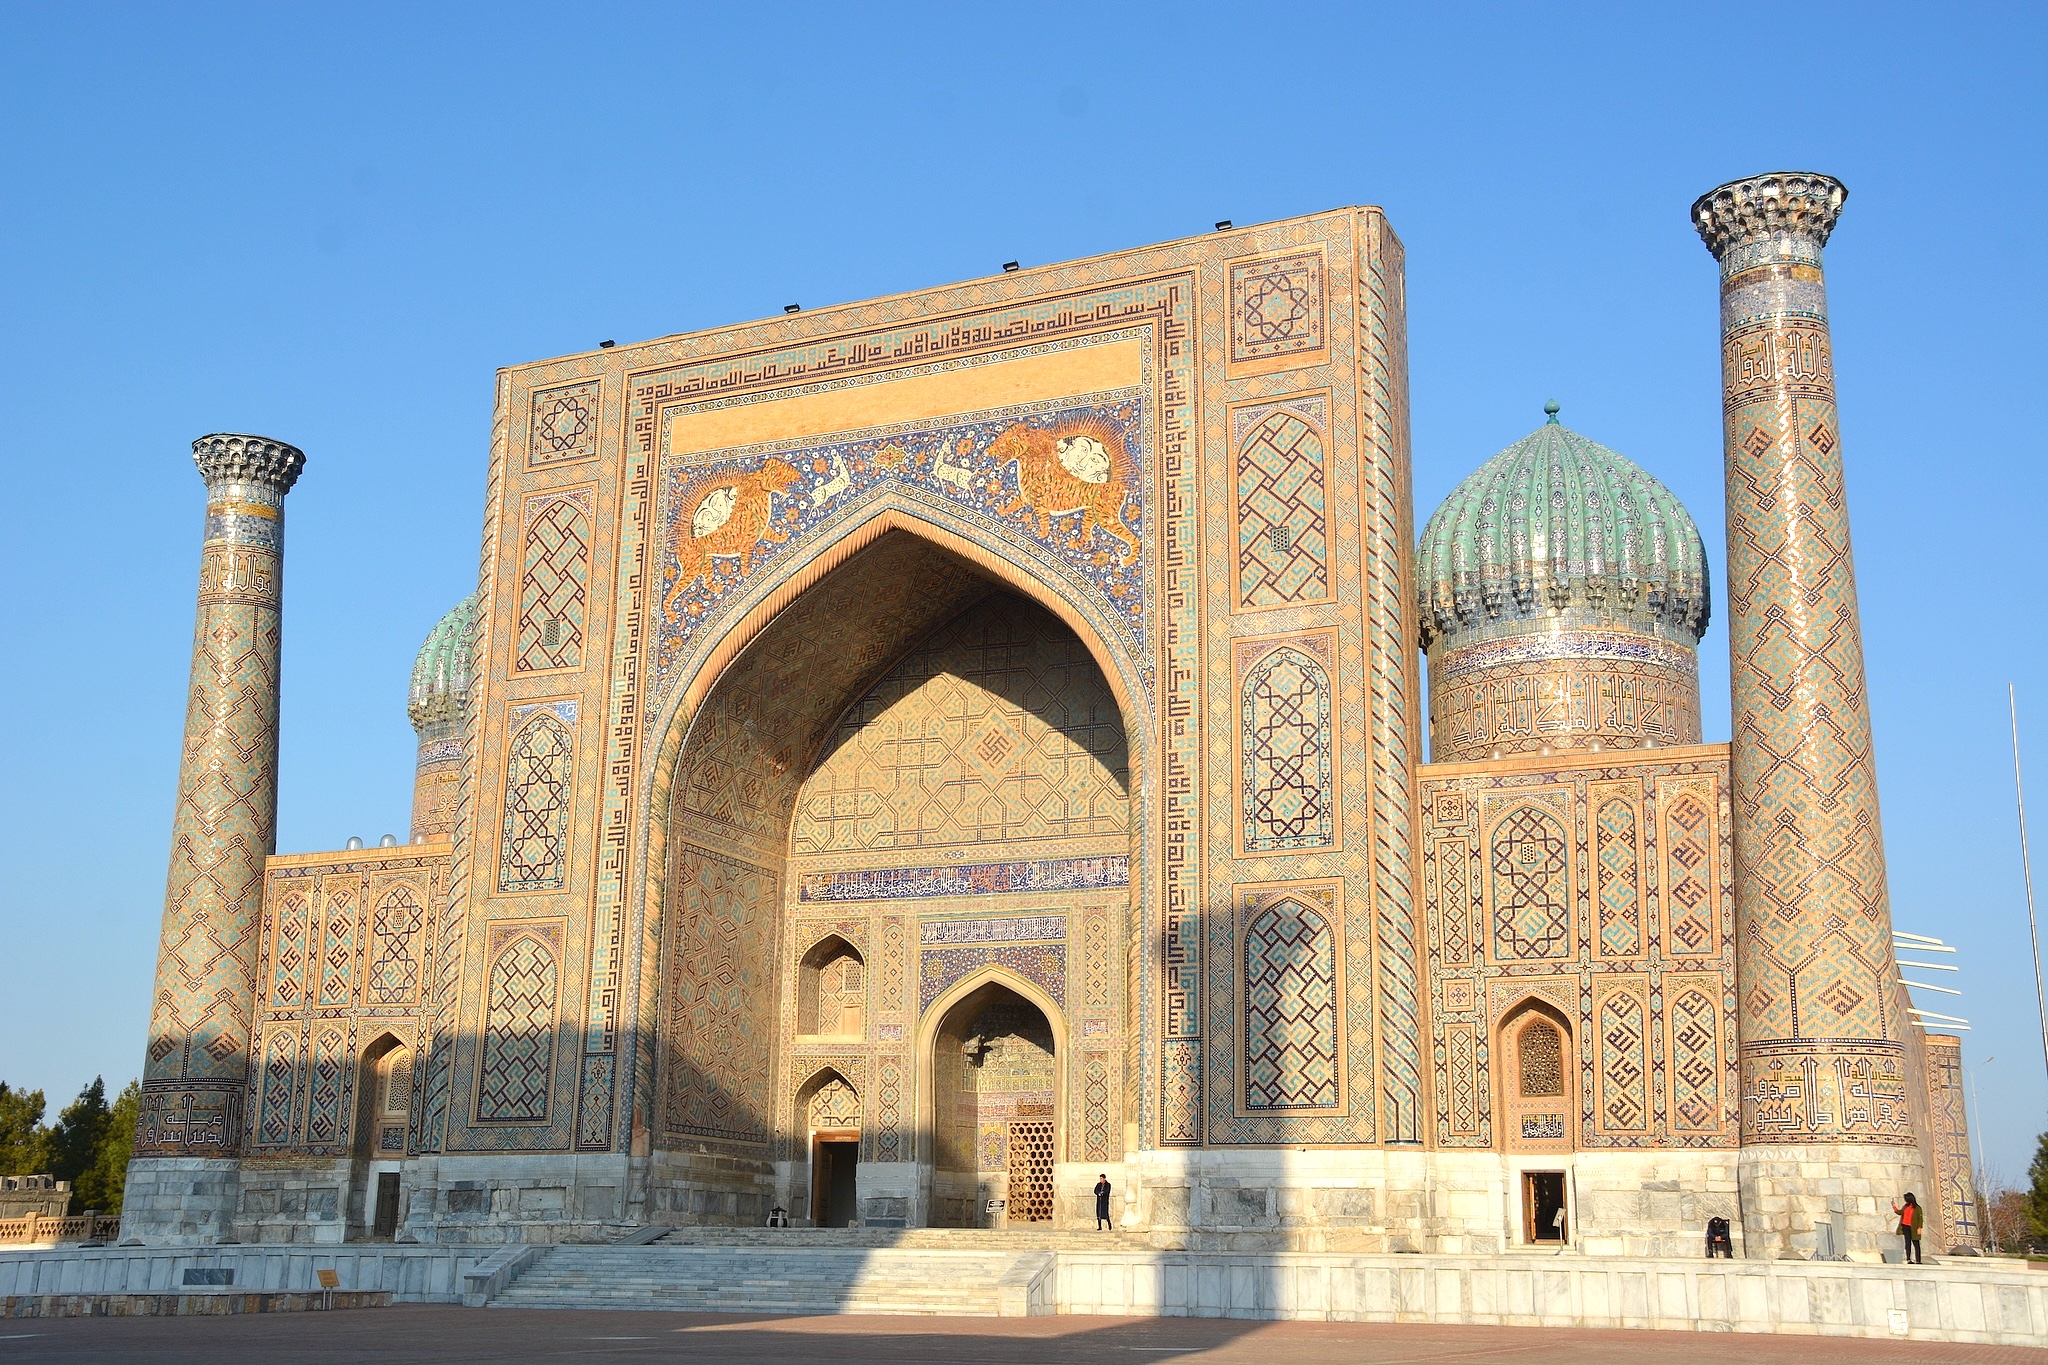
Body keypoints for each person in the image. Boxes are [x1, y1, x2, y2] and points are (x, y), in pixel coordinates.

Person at [1892, 1193, 1924, 1264]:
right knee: (1908, 1243)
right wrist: (1894, 1207)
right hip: (1905, 1226)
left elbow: (1920, 1219)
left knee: (1916, 1243)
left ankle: (1918, 1260)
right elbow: (1900, 1212)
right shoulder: (1905, 1206)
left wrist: (1919, 1228)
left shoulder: (1917, 1208)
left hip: (1913, 1227)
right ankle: (1908, 1259)